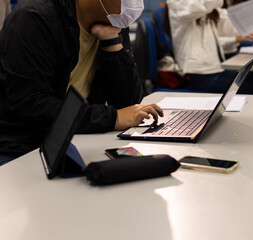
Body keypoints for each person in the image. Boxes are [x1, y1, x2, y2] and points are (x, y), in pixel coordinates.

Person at [0, 0, 163, 165]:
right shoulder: (34, 18)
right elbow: (31, 105)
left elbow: (130, 104)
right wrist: (112, 118)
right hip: (20, 148)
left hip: (73, 140)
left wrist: (112, 41)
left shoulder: (113, 21)